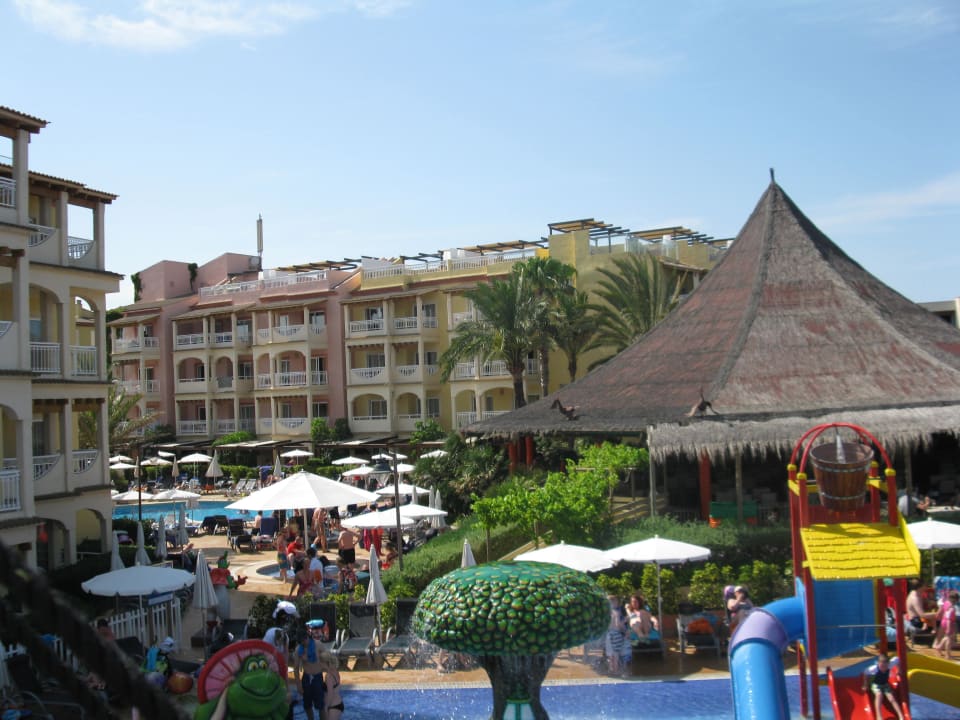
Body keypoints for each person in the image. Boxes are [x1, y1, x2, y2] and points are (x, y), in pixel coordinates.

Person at [294, 621, 327, 720]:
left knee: (320, 704)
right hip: (306, 677)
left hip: (317, 676)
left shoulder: (318, 644)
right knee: (307, 705)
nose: (303, 644)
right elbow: (296, 669)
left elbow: (328, 659)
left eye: (304, 641)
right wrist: (298, 685)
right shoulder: (298, 650)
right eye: (300, 642)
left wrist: (329, 676)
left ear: (307, 637)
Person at [862, 653, 905, 720]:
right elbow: (865, 672)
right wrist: (865, 684)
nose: (883, 668)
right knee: (879, 695)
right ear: (878, 663)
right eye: (881, 666)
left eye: (885, 666)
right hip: (875, 684)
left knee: (891, 698)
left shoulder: (890, 664)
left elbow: (897, 659)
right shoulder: (874, 668)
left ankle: (901, 716)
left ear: (888, 664)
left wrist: (899, 670)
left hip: (885, 684)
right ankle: (879, 716)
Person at [604, 594, 630, 674]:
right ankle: (616, 670)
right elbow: (618, 624)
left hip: (608, 635)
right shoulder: (616, 612)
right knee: (616, 654)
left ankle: (611, 669)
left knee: (610, 654)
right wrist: (625, 630)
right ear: (615, 603)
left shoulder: (605, 613)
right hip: (616, 634)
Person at [317, 650, 344, 720]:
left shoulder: (328, 676)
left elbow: (330, 693)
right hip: (337, 703)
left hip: (332, 706)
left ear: (324, 662)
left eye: (320, 662)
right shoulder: (335, 671)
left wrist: (326, 706)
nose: (319, 663)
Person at [933, 591, 959, 659]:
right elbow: (949, 618)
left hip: (943, 621)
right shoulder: (951, 608)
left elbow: (941, 611)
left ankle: (939, 647)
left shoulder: (946, 603)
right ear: (955, 599)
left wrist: (938, 616)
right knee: (949, 639)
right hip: (949, 623)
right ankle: (948, 655)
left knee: (947, 637)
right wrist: (949, 628)